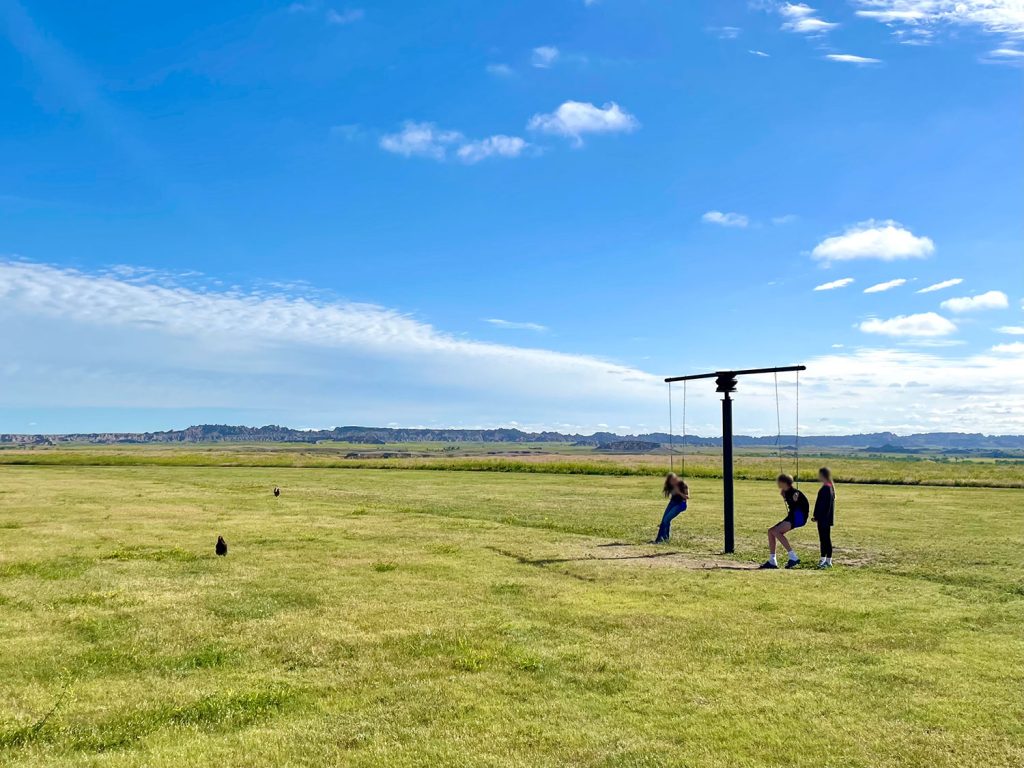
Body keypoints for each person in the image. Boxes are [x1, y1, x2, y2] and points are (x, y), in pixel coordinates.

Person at [759, 473, 809, 569]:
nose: (777, 483)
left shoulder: (795, 492)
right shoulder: (785, 492)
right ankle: (772, 560)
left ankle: (793, 557)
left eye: (779, 481)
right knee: (771, 531)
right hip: (792, 516)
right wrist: (784, 496)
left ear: (784, 483)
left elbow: (797, 496)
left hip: (799, 517)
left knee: (776, 531)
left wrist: (795, 497)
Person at [653, 473, 689, 543]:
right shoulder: (671, 486)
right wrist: (673, 490)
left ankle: (662, 539)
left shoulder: (683, 484)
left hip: (681, 504)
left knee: (666, 520)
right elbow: (671, 494)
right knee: (664, 520)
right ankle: (662, 539)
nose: (673, 481)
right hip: (672, 503)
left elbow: (687, 497)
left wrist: (679, 492)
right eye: (671, 480)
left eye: (674, 479)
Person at [813, 467, 836, 568]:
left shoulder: (826, 488)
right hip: (825, 518)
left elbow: (822, 505)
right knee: (824, 539)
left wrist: (817, 516)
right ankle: (823, 559)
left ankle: (827, 560)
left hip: (823, 518)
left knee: (825, 539)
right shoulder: (829, 487)